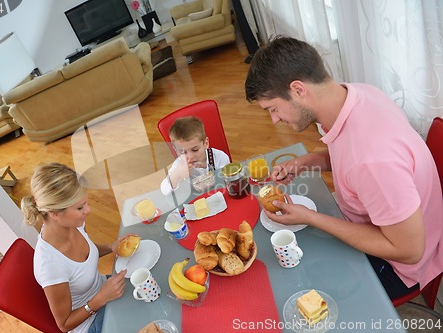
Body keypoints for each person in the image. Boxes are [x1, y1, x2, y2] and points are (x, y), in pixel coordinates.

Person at [245, 35, 443, 299]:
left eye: (273, 108)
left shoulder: (372, 159)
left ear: (298, 90)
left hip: (401, 267)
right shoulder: (356, 95)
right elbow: (348, 158)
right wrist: (306, 162)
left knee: (295, 286)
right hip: (386, 226)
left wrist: (311, 217)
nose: (274, 119)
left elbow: (410, 250)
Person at [21, 163, 128, 333]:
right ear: (54, 213)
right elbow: (64, 324)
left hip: (104, 291)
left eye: (85, 203)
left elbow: (86, 253)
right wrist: (100, 299)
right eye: (80, 208)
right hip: (90, 323)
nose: (88, 210)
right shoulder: (50, 266)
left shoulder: (74, 223)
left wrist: (112, 246)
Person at [160, 116, 230, 195]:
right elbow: (164, 190)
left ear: (205, 144)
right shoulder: (179, 164)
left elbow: (228, 180)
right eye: (183, 152)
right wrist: (177, 174)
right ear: (175, 150)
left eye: (195, 150)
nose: (190, 157)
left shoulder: (219, 157)